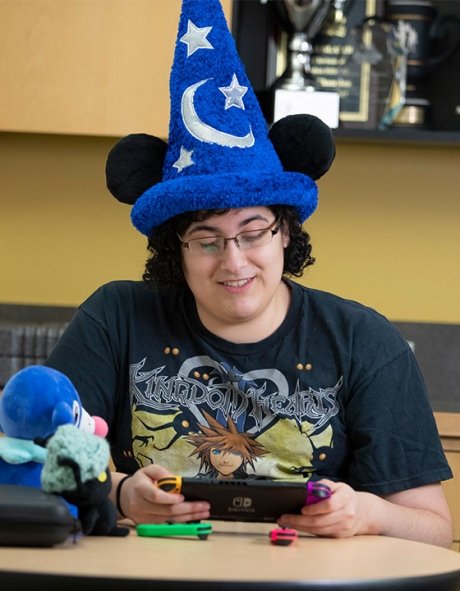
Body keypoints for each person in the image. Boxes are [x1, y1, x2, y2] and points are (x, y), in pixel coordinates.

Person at [46, 0, 453, 546]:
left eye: (253, 232)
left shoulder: (364, 341)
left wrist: (367, 514)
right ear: (174, 249)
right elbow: (33, 464)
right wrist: (119, 493)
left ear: (285, 232)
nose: (234, 261)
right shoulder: (116, 318)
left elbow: (434, 530)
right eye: (206, 240)